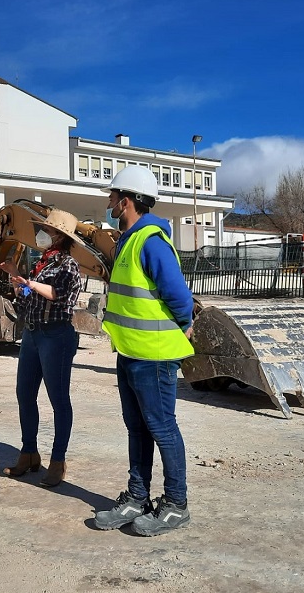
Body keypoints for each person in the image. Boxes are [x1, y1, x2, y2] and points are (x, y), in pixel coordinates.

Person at [93, 165, 195, 537]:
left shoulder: (150, 241)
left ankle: (176, 504)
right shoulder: (127, 241)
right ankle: (138, 497)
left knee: (162, 428)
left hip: (153, 355)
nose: (108, 202)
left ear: (127, 201)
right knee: (137, 428)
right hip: (131, 352)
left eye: (112, 196)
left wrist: (183, 322)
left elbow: (180, 298)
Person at [0, 208, 83, 487]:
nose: (42, 234)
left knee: (59, 401)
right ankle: (29, 453)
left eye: (48, 230)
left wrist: (28, 283)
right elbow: (28, 299)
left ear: (60, 236)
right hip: (33, 335)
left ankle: (58, 461)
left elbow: (58, 295)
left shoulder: (67, 265)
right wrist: (18, 285)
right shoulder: (42, 263)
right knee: (25, 395)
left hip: (56, 336)